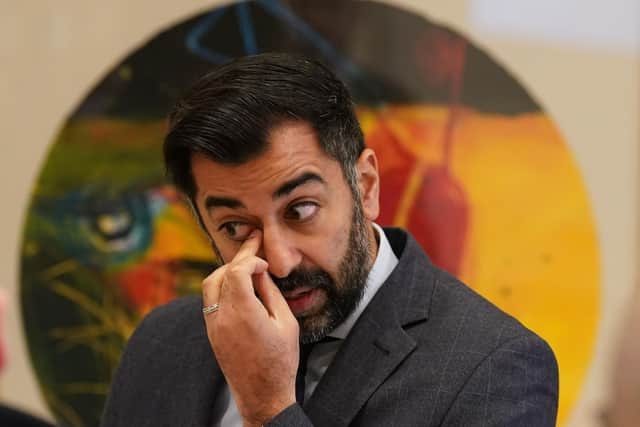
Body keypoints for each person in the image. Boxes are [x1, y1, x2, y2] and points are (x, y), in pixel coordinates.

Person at [101, 53, 558, 427]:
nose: (279, 261)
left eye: (300, 210)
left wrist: (269, 410)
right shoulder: (161, 341)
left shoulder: (496, 368)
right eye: (236, 228)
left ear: (366, 185)